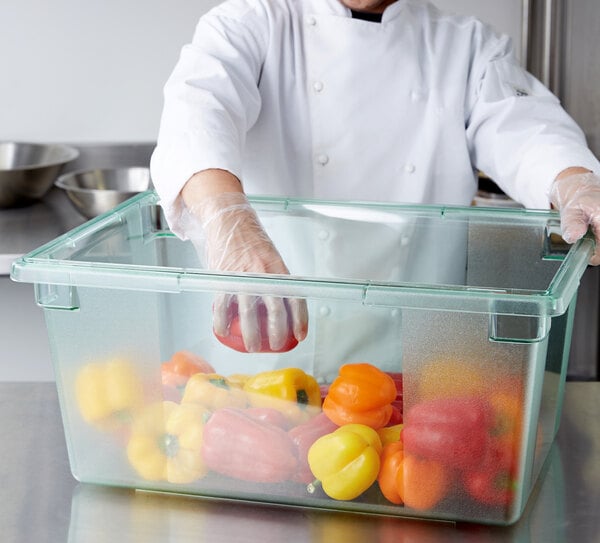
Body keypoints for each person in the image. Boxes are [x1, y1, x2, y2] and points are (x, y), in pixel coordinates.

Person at [151, 0, 600, 354]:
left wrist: (576, 182)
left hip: (416, 366)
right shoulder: (252, 22)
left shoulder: (467, 47)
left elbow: (526, 128)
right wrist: (230, 221)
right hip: (266, 358)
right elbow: (198, 112)